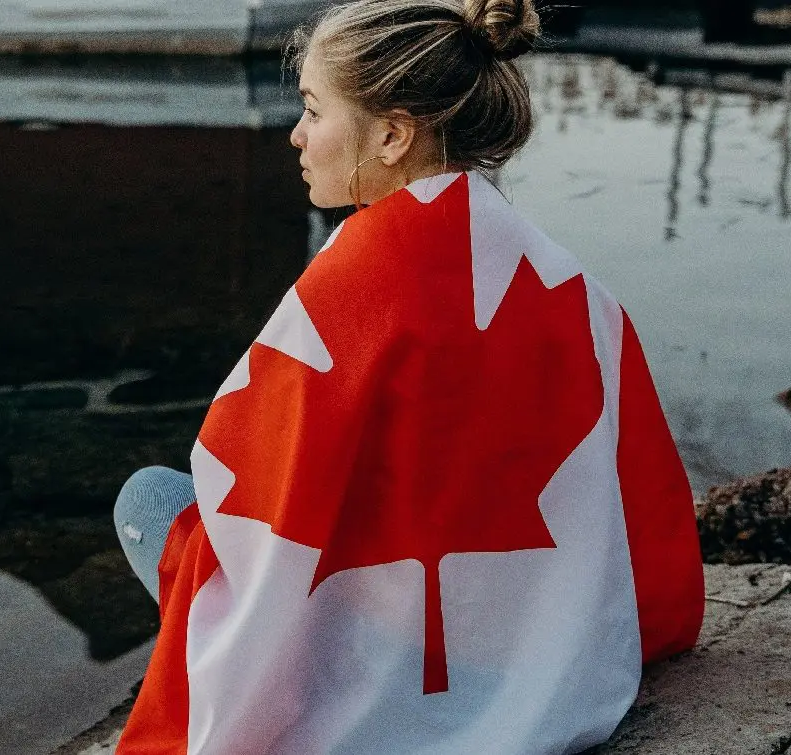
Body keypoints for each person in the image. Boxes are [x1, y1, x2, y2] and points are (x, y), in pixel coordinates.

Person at [113, 0, 705, 752]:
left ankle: (338, 678)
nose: (296, 135)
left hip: (392, 643)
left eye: (313, 111)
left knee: (149, 499)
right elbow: (640, 495)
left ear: (392, 134)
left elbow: (252, 498)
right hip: (535, 638)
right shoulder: (572, 285)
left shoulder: (342, 292)